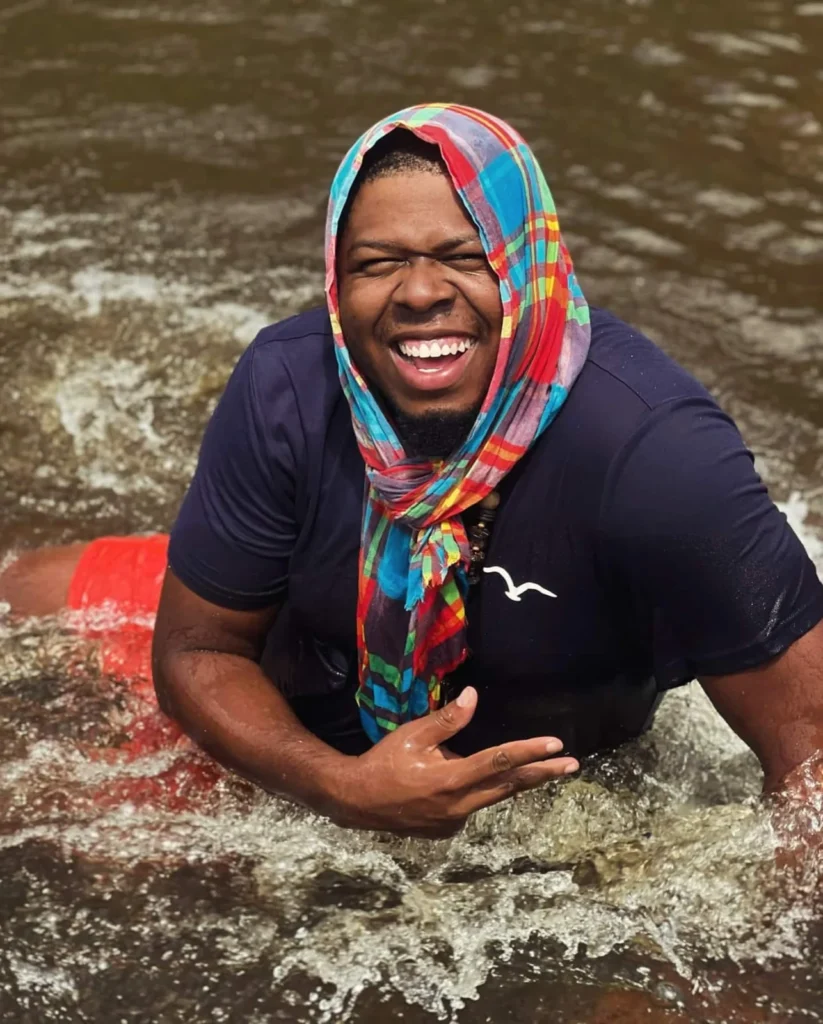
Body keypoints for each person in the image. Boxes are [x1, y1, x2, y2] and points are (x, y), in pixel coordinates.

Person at [3, 104, 823, 841]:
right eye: (376, 263)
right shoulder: (287, 386)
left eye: (465, 257)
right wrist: (338, 788)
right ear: (337, 283)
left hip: (545, 812)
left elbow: (810, 765)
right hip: (307, 747)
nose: (420, 292)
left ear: (530, 269)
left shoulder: (655, 455)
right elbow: (196, 647)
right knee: (22, 601)